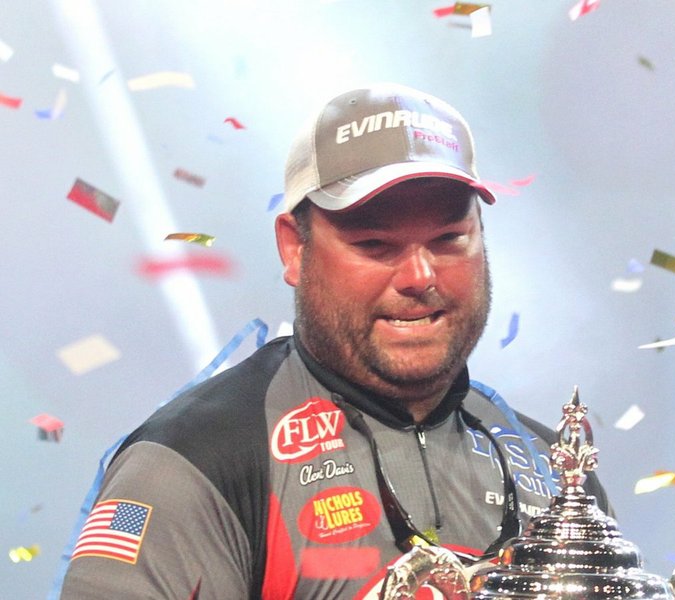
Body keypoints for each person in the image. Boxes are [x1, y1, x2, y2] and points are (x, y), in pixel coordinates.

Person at [59, 82, 610, 599]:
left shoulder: (555, 472)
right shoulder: (193, 463)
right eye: (375, 243)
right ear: (294, 249)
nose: (420, 275)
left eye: (449, 239)